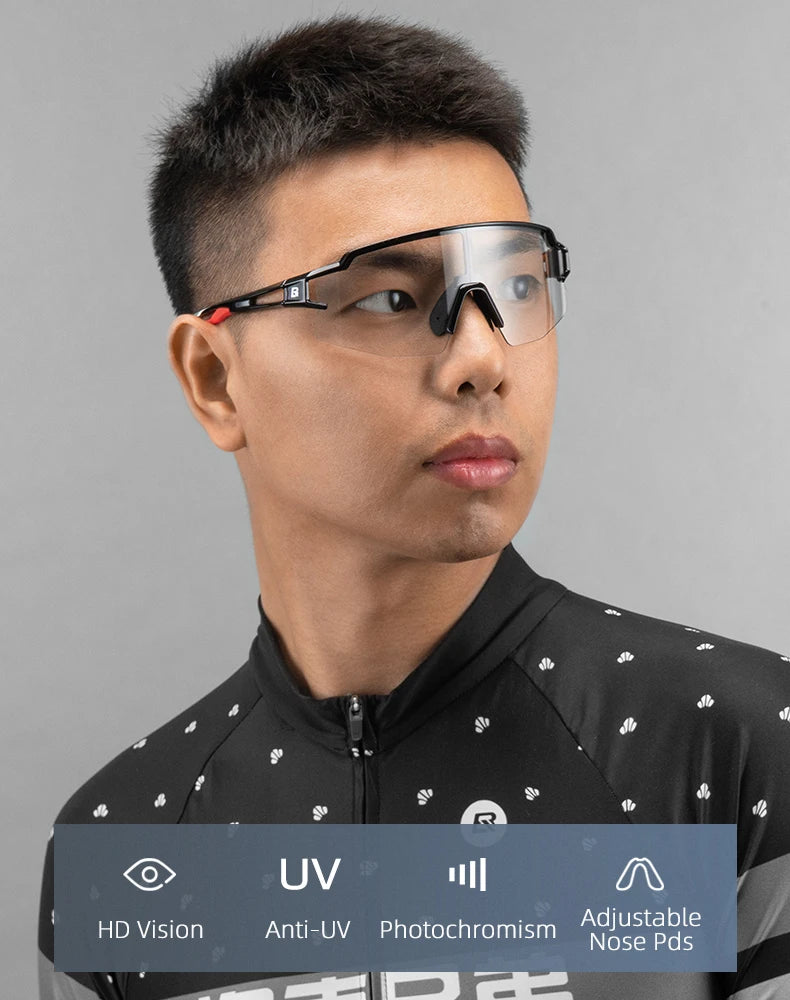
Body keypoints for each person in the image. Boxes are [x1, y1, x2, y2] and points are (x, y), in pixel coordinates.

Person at [37, 13, 790, 1000]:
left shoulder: (736, 751)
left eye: (514, 286)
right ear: (215, 379)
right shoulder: (121, 847)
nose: (483, 356)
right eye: (389, 299)